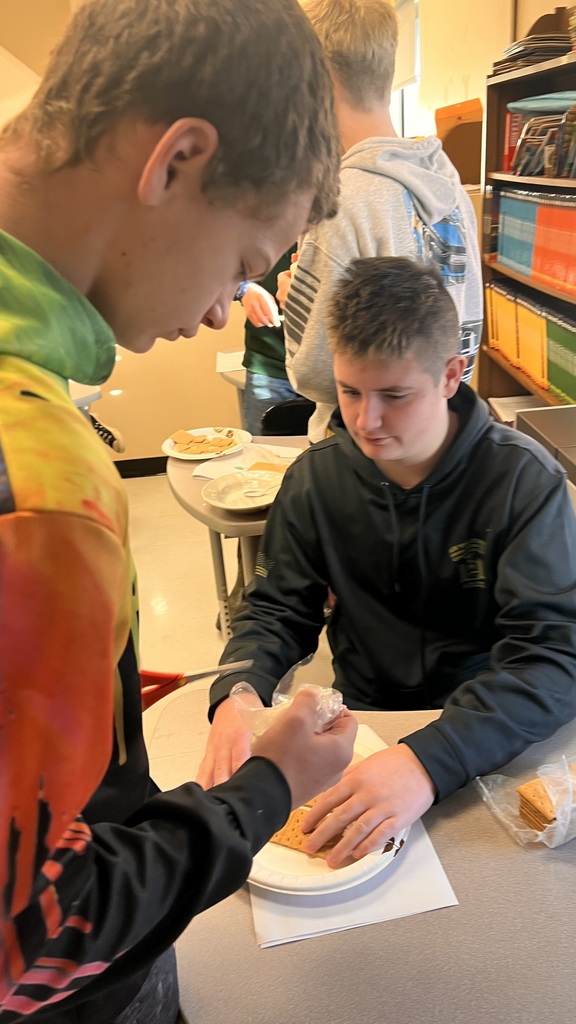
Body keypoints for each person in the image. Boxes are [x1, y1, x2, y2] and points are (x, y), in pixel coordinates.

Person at [0, 2, 358, 1022]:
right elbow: (32, 939)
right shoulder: (41, 482)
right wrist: (266, 790)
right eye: (248, 261)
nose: (219, 309)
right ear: (177, 161)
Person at [198, 256, 576, 869]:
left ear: (452, 375)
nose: (365, 422)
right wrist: (239, 691)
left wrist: (429, 759)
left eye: (394, 396)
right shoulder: (316, 480)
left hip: (489, 728)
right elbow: (273, 609)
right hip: (365, 715)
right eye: (350, 391)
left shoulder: (523, 482)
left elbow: (553, 656)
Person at [278, 0, 483, 442]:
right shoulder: (450, 186)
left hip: (362, 452)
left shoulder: (341, 202)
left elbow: (312, 372)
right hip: (442, 440)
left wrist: (292, 300)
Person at [237, 246, 301, 435]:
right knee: (264, 455)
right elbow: (216, 254)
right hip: (270, 362)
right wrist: (243, 288)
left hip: (335, 366)